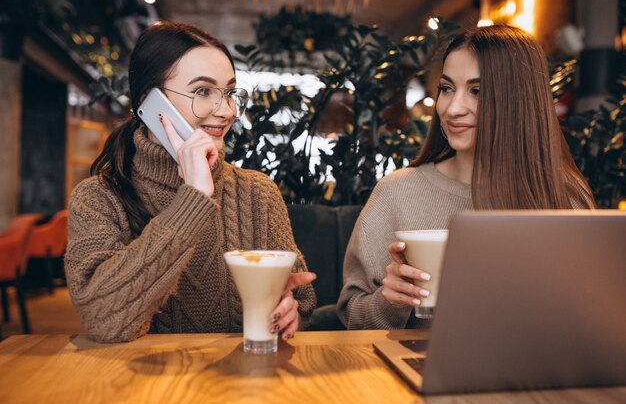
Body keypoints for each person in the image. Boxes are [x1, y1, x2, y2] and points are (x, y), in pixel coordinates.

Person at [65, 20, 316, 343]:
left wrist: (288, 310)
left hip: (241, 385)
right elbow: (103, 320)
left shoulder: (258, 193)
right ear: (150, 104)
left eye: (228, 93)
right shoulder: (97, 198)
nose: (225, 111)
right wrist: (193, 200)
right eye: (202, 91)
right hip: (141, 389)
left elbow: (303, 300)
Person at [336, 25, 595, 330]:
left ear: (519, 102)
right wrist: (389, 301)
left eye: (477, 91)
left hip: (536, 374)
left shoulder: (564, 196)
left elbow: (588, 321)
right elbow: (351, 316)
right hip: (420, 373)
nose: (452, 108)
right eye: (446, 88)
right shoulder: (398, 192)